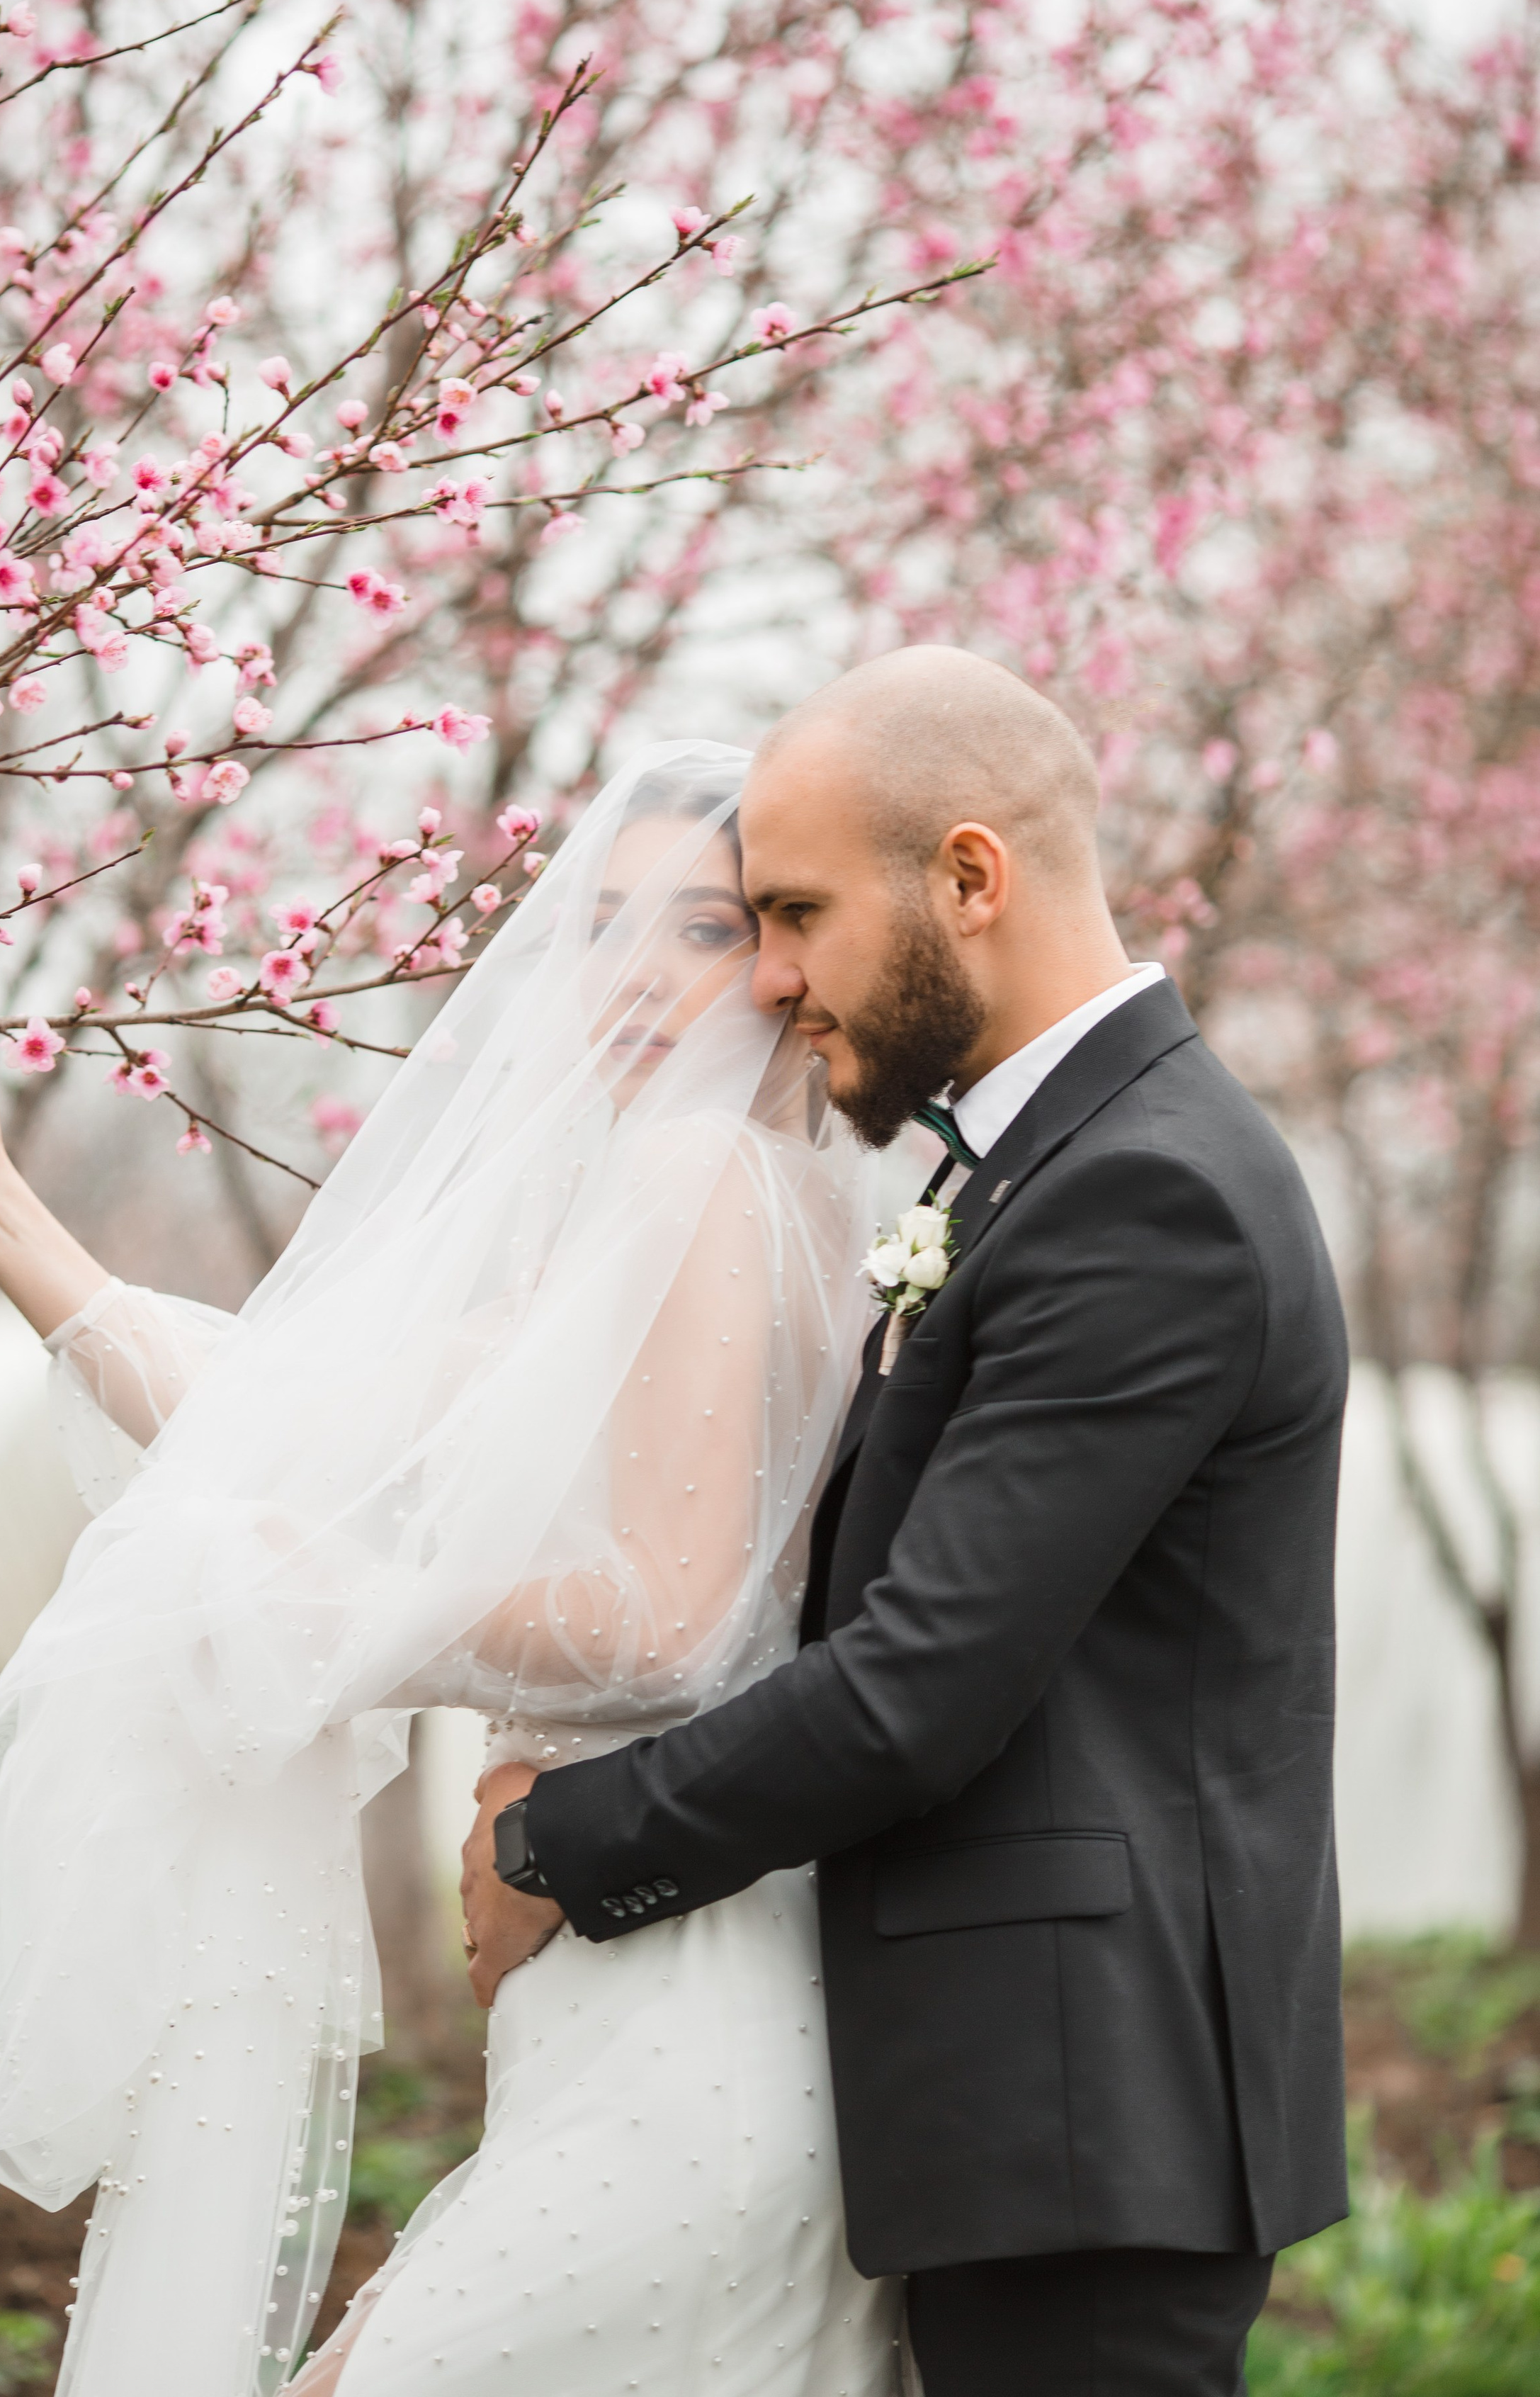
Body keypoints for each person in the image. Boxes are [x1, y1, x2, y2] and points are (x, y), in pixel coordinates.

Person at [0, 743, 910, 2397]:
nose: (630, 977)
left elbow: (675, 1622)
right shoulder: (716, 1211)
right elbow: (275, 1422)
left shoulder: (700, 1181)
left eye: (697, 931)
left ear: (785, 957)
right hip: (657, 1996)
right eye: (602, 927)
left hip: (684, 2004)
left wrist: (332, 1627)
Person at [461, 648, 1352, 2397]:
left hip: (1087, 2122)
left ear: (967, 877)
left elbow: (916, 1686)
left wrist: (552, 1840)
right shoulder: (1021, 1168)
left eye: (792, 913)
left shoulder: (1141, 1194)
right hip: (1024, 2109)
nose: (774, 976)